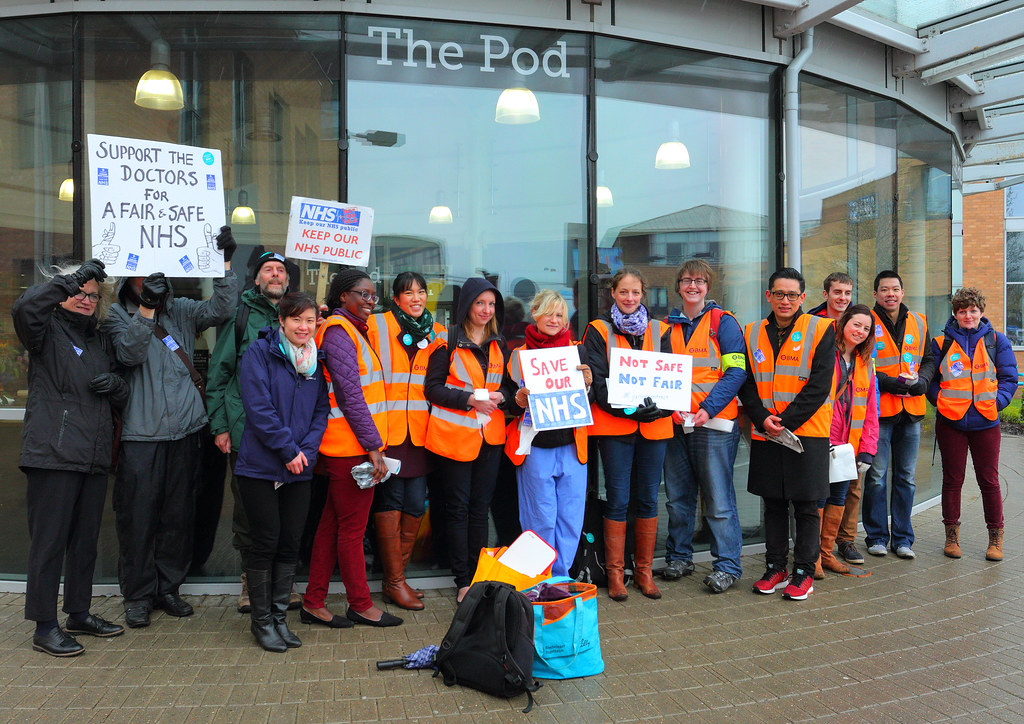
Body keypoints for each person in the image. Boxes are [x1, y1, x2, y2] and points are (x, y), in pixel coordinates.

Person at [101, 228, 238, 629]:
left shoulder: (179, 309)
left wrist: (225, 264)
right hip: (140, 437)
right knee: (138, 517)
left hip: (185, 433)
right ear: (130, 280)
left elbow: (223, 309)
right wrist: (144, 311)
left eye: (157, 276)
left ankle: (168, 588)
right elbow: (130, 351)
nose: (153, 282)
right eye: (144, 276)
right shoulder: (113, 315)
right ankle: (139, 595)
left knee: (178, 515)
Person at [13, 259, 128, 657]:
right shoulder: (43, 329)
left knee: (84, 543)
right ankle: (44, 626)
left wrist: (116, 384)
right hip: (53, 452)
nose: (85, 299)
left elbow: (122, 391)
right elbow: (24, 308)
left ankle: (78, 612)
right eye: (80, 292)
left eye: (93, 295)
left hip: (93, 454)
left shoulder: (98, 338)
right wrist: (69, 281)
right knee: (49, 543)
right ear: (64, 293)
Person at [303, 269, 401, 628]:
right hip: (351, 449)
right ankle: (360, 603)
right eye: (363, 294)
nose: (370, 301)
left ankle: (313, 601)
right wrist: (374, 446)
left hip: (349, 445)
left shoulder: (352, 331)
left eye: (374, 295)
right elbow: (351, 396)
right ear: (342, 296)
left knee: (332, 525)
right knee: (352, 530)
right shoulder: (340, 334)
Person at [235, 292, 329, 652]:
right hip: (260, 465)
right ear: (282, 321)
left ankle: (278, 619)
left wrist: (305, 452)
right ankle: (261, 623)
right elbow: (258, 408)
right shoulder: (259, 353)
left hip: (300, 467)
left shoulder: (316, 362)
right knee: (266, 541)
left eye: (310, 321)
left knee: (291, 541)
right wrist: (288, 449)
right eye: (296, 320)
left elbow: (321, 410)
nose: (303, 327)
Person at [739, 267, 835, 601]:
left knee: (807, 506)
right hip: (766, 431)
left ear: (803, 298)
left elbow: (820, 385)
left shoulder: (822, 329)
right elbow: (746, 382)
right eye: (779, 294)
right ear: (768, 295)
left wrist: (785, 421)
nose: (785, 300)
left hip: (806, 432)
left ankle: (804, 571)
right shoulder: (752, 332)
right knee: (774, 503)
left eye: (792, 295)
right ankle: (775, 567)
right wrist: (763, 418)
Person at [205, 251, 293, 613]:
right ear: (256, 279)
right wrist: (220, 426)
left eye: (281, 270)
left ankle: (282, 582)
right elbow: (219, 372)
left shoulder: (299, 315)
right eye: (268, 270)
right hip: (246, 432)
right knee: (247, 512)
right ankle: (250, 583)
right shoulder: (241, 315)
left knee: (287, 512)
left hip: (290, 432)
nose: (275, 275)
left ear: (288, 280)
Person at [583, 267, 673, 601]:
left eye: (635, 293)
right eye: (623, 292)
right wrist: (630, 410)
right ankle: (616, 574)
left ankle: (644, 572)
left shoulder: (658, 329)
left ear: (643, 294)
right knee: (618, 499)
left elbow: (670, 379)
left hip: (656, 426)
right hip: (615, 427)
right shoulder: (598, 329)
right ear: (612, 294)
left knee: (648, 498)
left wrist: (659, 409)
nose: (630, 299)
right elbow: (599, 381)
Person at [424, 277, 513, 603]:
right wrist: (469, 400)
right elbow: (431, 389)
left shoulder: (499, 344)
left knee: (480, 509)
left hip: (490, 437)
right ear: (466, 306)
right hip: (455, 438)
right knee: (457, 509)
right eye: (480, 303)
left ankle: (479, 576)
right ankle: (462, 580)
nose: (486, 310)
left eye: (491, 304)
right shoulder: (446, 342)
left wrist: (502, 397)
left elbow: (508, 387)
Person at [661, 260, 746, 594]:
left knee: (718, 499)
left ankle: (727, 566)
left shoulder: (724, 324)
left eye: (699, 281)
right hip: (675, 423)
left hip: (714, 424)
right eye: (686, 280)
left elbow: (736, 373)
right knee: (677, 497)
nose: (692, 286)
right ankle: (679, 557)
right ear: (679, 286)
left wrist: (707, 410)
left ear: (709, 286)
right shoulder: (665, 326)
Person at [365, 272, 446, 611]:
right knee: (391, 501)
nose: (416, 297)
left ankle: (396, 578)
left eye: (421, 292)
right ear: (395, 298)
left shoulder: (439, 333)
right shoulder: (375, 324)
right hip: (386, 432)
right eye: (407, 292)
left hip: (421, 433)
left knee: (415, 504)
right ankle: (394, 582)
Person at [505, 289, 593, 577]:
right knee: (539, 518)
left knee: (570, 518)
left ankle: (562, 577)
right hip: (535, 448)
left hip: (571, 446)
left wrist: (589, 387)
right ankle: (540, 578)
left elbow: (588, 402)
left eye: (560, 315)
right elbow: (508, 401)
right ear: (535, 314)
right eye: (548, 313)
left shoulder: (578, 351)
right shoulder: (519, 355)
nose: (554, 320)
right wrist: (517, 400)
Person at [927, 287, 1017, 562]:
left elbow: (1009, 378)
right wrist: (939, 400)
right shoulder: (941, 342)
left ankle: (995, 537)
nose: (968, 315)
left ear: (981, 312)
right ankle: (951, 536)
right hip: (950, 421)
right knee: (952, 480)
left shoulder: (996, 341)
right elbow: (930, 379)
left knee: (988, 481)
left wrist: (997, 402)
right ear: (955, 313)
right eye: (962, 311)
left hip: (985, 422)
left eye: (973, 310)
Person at [862, 270, 935, 559]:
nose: (890, 294)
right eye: (884, 289)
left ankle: (903, 539)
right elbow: (860, 362)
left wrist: (925, 382)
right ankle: (877, 537)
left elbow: (929, 359)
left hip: (911, 411)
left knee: (906, 477)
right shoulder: (866, 320)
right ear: (876, 294)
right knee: (877, 476)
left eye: (895, 289)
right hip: (879, 412)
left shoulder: (919, 321)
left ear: (902, 292)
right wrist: (889, 383)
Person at [818, 304, 878, 576]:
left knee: (839, 497)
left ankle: (826, 553)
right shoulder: (824, 352)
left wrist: (867, 449)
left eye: (866, 328)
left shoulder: (865, 362)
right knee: (817, 498)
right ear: (843, 324)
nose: (860, 331)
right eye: (856, 325)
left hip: (847, 446)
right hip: (820, 438)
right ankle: (811, 558)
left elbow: (871, 411)